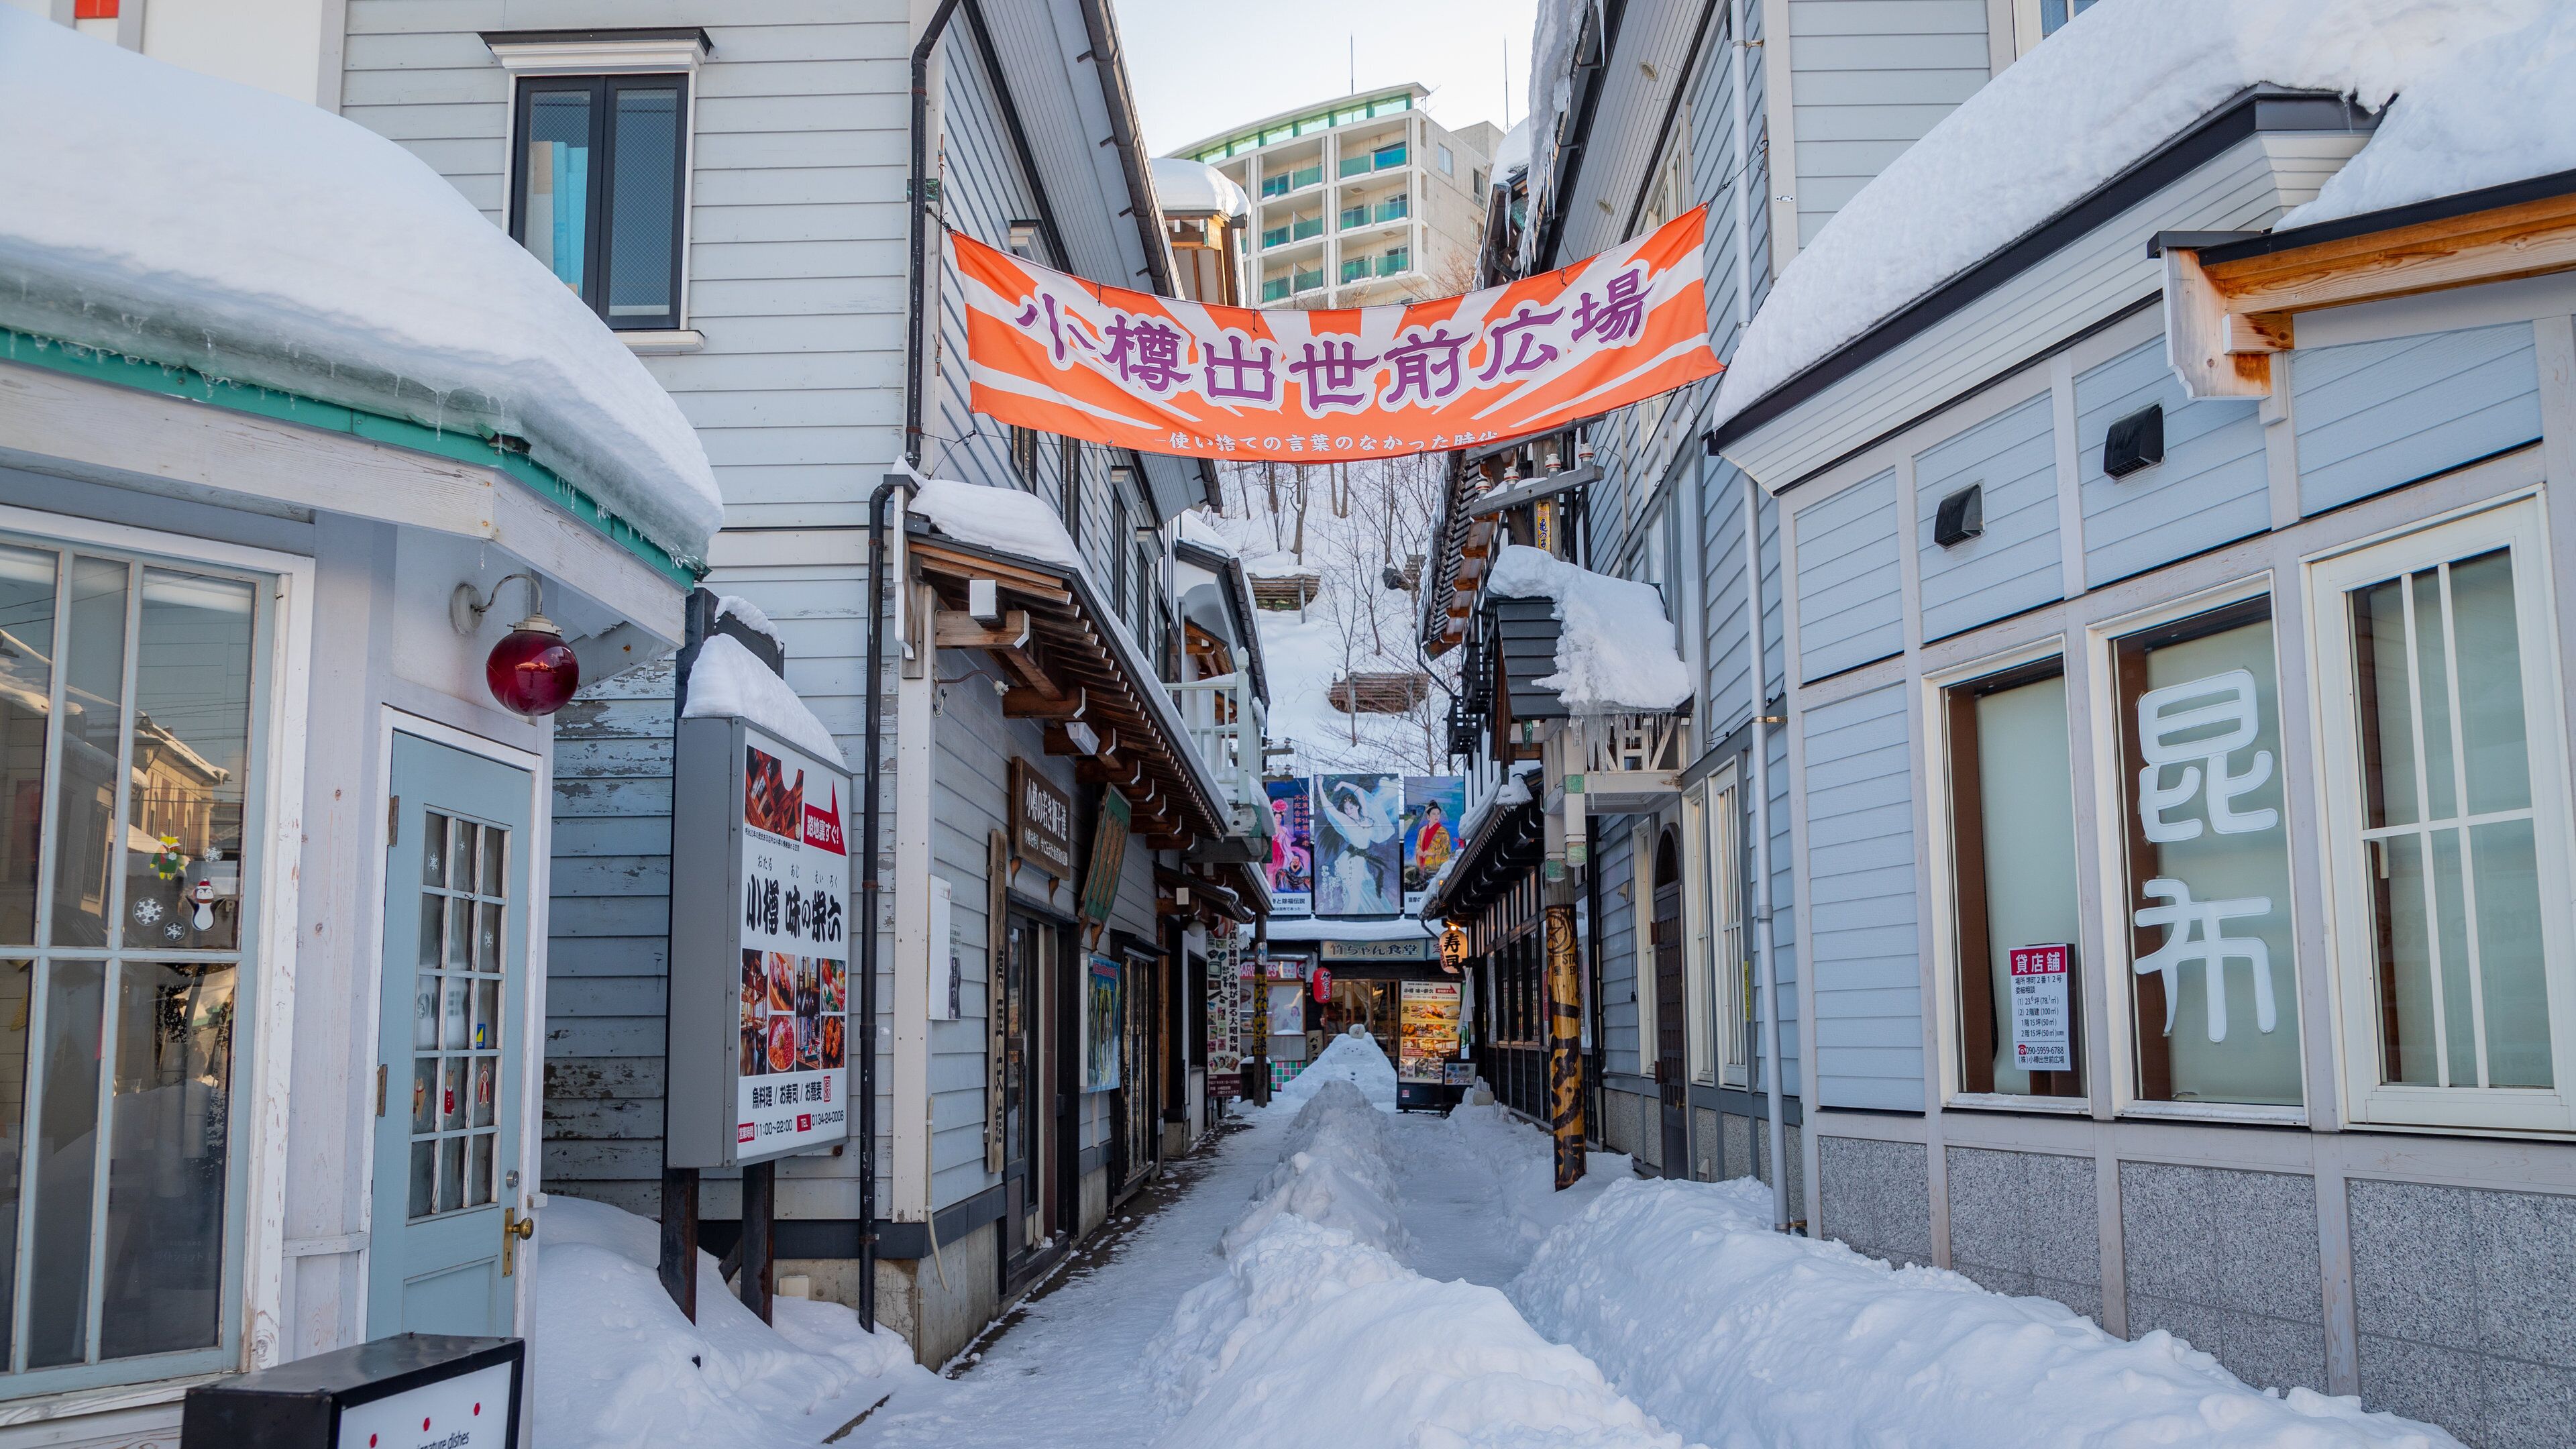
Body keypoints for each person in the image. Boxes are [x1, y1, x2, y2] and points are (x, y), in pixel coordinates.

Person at [1411, 800, 1452, 882]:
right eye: (1433, 814)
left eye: (1438, 814)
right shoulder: (1422, 830)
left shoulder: (1443, 832)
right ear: (1428, 816)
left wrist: (1432, 852)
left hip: (1437, 867)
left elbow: (1446, 849)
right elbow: (1418, 844)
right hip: (1424, 865)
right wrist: (1419, 850)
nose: (1436, 816)